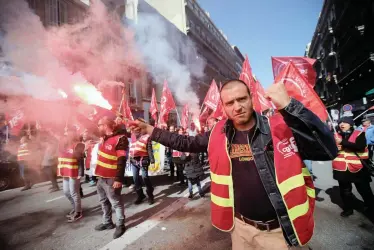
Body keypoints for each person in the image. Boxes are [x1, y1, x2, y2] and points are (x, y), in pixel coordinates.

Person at [129, 79, 337, 249]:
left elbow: (327, 150)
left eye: (241, 99)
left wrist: (289, 106)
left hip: (278, 232)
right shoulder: (218, 133)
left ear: (251, 99)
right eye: (230, 103)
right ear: (224, 107)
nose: (237, 107)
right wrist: (150, 130)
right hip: (240, 229)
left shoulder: (280, 127)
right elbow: (186, 142)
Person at [332, 116, 374, 218]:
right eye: (340, 122)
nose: (342, 124)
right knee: (345, 191)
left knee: (364, 190)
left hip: (358, 168)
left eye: (345, 122)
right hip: (341, 168)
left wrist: (342, 142)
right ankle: (348, 208)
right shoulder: (335, 135)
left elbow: (359, 146)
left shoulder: (359, 134)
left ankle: (371, 208)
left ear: (350, 124)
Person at [94, 116, 128, 239]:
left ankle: (120, 224)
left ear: (106, 125)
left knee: (116, 202)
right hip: (101, 177)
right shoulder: (104, 138)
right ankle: (107, 222)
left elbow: (121, 160)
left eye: (99, 125)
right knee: (103, 201)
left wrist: (118, 179)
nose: (98, 127)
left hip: (112, 178)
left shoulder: (120, 139)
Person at [58, 128, 85, 222]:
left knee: (74, 193)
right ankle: (75, 208)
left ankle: (78, 212)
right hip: (65, 172)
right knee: (66, 192)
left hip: (74, 172)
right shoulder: (62, 145)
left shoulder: (78, 144)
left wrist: (81, 172)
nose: (65, 136)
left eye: (67, 134)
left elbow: (80, 159)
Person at [129, 131, 155, 205]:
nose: (134, 128)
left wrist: (152, 161)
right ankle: (141, 195)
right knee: (135, 179)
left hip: (143, 160)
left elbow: (149, 149)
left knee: (145, 177)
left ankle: (150, 195)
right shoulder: (132, 135)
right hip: (134, 160)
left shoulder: (146, 136)